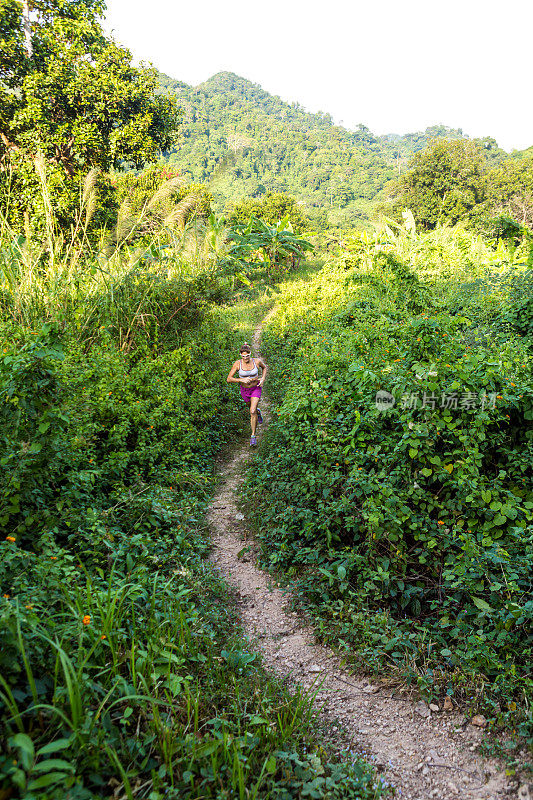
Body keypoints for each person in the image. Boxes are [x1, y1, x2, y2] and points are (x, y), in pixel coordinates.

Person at [227, 342, 268, 447]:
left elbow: (264, 368)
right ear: (241, 355)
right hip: (244, 390)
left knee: (252, 411)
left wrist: (262, 379)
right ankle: (257, 412)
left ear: (250, 354)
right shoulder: (237, 364)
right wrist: (241, 379)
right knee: (251, 408)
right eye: (243, 356)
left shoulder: (257, 361)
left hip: (256, 388)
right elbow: (229, 379)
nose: (246, 358)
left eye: (247, 355)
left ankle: (253, 436)